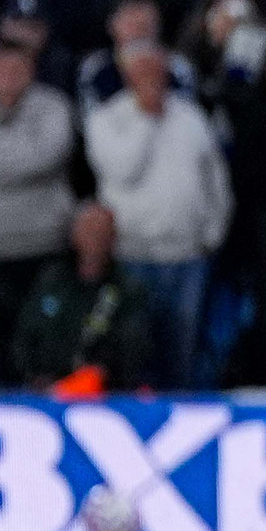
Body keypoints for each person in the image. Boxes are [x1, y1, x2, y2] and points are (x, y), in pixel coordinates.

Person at [83, 37, 232, 388]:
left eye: (156, 66)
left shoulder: (191, 116)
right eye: (141, 68)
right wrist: (146, 118)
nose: (150, 75)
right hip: (131, 257)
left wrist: (213, 232)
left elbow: (216, 179)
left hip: (187, 255)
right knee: (133, 351)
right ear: (127, 72)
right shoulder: (107, 118)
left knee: (183, 352)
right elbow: (121, 169)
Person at [0, 41, 78, 380]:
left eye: (17, 68)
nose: (9, 76)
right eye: (1, 68)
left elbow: (50, 153)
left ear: (32, 71)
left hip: (43, 249)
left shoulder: (53, 106)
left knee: (45, 339)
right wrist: (26, 173)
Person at [13, 202, 154, 393]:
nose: (95, 238)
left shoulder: (127, 289)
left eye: (102, 231)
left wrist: (101, 373)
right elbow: (27, 333)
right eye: (88, 230)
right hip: (42, 387)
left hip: (100, 393)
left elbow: (133, 349)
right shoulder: (53, 280)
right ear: (74, 235)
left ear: (113, 237)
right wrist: (34, 374)